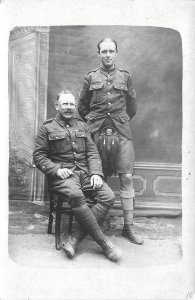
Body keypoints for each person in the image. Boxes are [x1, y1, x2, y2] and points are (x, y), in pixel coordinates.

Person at [33, 91, 122, 262]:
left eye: (71, 104)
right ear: (57, 106)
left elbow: (92, 152)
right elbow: (39, 156)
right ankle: (105, 244)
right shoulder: (47, 128)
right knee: (76, 195)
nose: (69, 108)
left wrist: (96, 173)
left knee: (108, 196)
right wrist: (56, 170)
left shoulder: (82, 126)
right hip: (62, 176)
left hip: (85, 173)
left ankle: (74, 239)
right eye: (65, 104)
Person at [78, 37, 144, 245]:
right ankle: (102, 223)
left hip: (121, 130)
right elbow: (82, 107)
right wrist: (95, 121)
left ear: (116, 53)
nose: (107, 55)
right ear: (99, 53)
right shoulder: (90, 78)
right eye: (104, 51)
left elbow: (132, 107)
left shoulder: (125, 76)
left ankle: (128, 227)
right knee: (100, 177)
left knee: (126, 177)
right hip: (96, 130)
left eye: (111, 51)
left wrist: (118, 120)